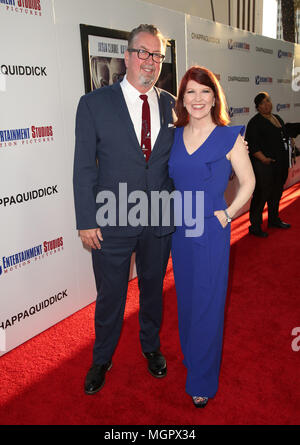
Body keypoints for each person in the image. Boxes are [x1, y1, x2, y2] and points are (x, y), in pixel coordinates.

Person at [73, 24, 176, 395]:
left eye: (157, 55)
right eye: (144, 53)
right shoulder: (94, 104)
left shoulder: (170, 104)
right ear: (128, 55)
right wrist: (86, 219)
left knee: (152, 289)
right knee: (111, 294)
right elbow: (84, 167)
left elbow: (175, 161)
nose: (150, 62)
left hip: (159, 219)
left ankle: (151, 347)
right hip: (111, 219)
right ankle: (102, 357)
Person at [168, 66, 255, 407]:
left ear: (215, 96)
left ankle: (202, 380)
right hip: (180, 229)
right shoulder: (172, 136)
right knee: (187, 301)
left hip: (212, 229)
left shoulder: (229, 136)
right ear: (182, 99)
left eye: (205, 91)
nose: (198, 98)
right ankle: (194, 359)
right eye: (191, 92)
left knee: (208, 303)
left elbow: (247, 182)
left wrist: (228, 213)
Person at [246, 92, 291, 237]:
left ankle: (273, 219)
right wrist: (263, 159)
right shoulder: (255, 122)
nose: (267, 104)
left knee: (276, 193)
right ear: (258, 107)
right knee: (261, 194)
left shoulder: (277, 118)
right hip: (263, 166)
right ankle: (255, 225)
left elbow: (283, 135)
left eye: (268, 101)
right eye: (263, 103)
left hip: (280, 163)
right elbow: (252, 145)